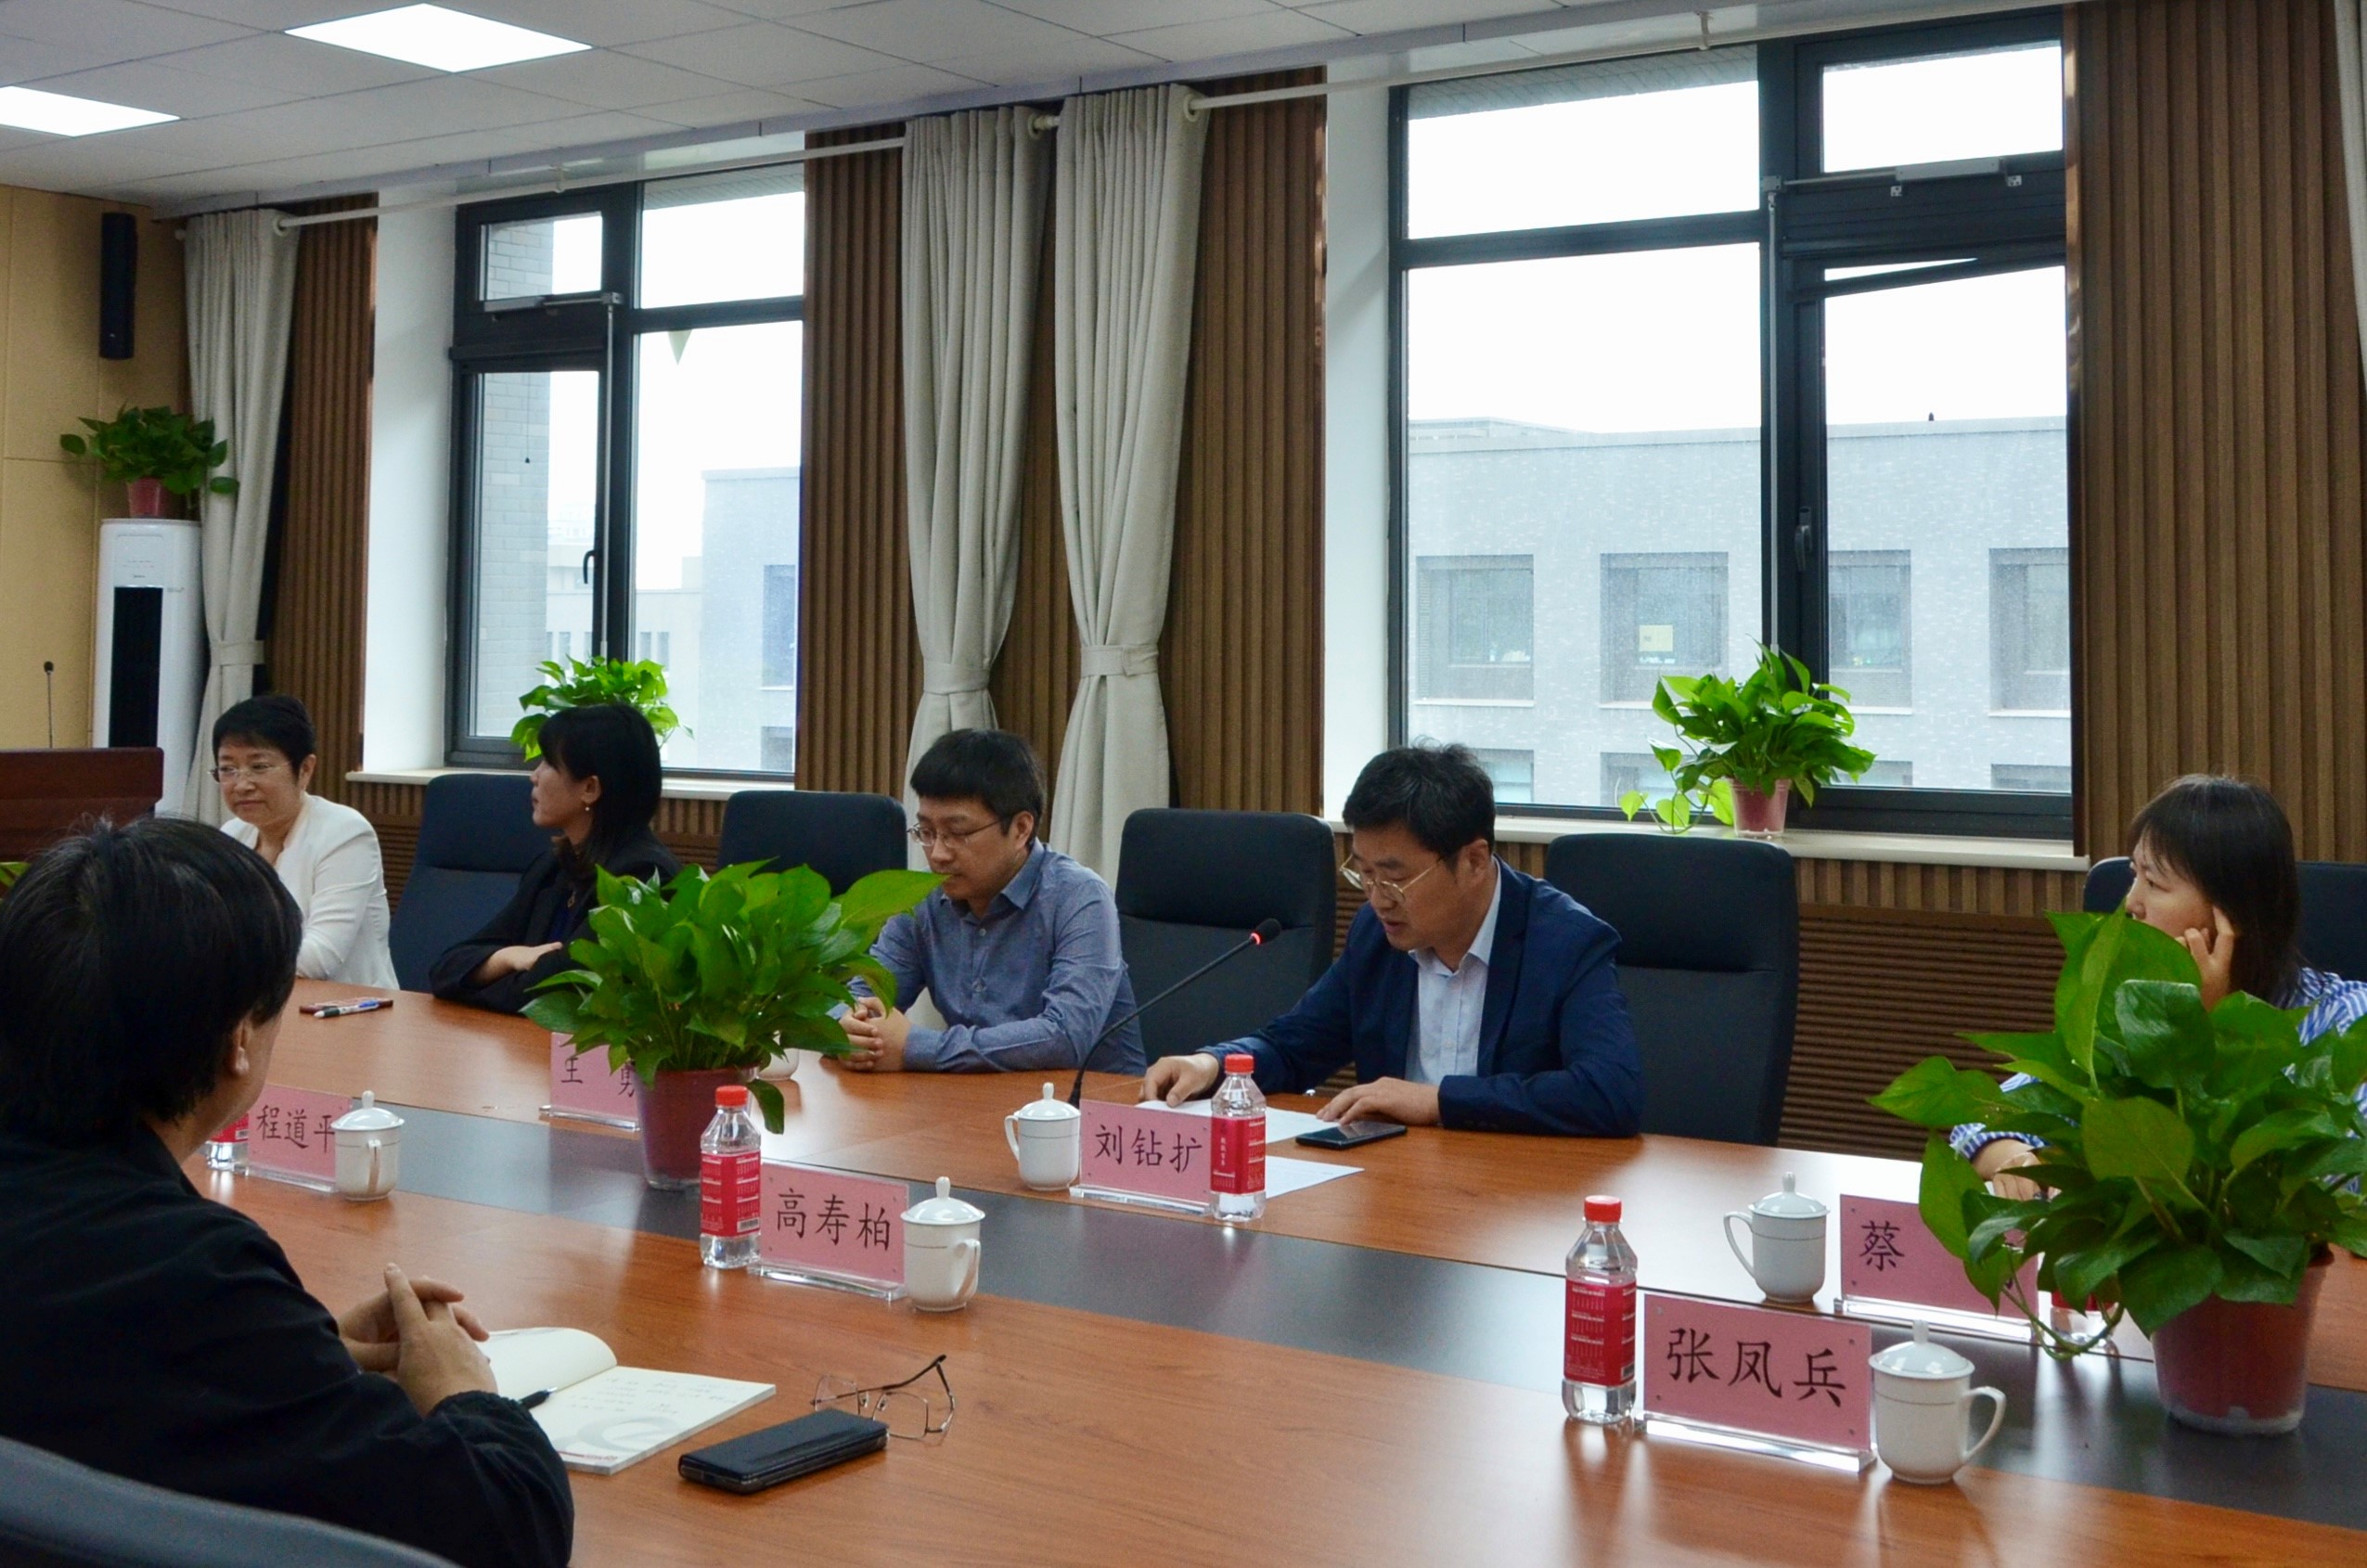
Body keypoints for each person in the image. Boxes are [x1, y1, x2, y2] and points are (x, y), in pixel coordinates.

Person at [0, 817, 571, 1568]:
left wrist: (301, 1350)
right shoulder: (187, 1270)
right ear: (240, 1039)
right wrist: (466, 1393)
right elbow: (507, 1528)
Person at [1143, 743, 1643, 1137]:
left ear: (1473, 860)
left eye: (1395, 877)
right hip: (1395, 1182)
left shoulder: (1565, 942)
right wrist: (1213, 1064)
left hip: (1517, 1199)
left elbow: (1608, 1092)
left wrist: (1440, 1101)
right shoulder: (1378, 936)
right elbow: (1294, 1046)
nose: (1378, 898)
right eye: (1364, 874)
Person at [1954, 775, 2367, 1198]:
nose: (2131, 903)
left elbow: (2337, 1181)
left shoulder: (2348, 1021)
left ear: (2234, 913)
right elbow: (1978, 1118)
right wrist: (2018, 1159)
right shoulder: (2133, 1009)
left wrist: (2211, 1028)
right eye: (2134, 875)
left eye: (2154, 883)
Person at [839, 728, 1142, 1074]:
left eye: (958, 834)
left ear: (1021, 829)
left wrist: (915, 1047)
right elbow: (858, 998)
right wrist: (850, 1028)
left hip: (1089, 1101)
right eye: (927, 832)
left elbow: (1065, 1037)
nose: (937, 854)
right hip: (971, 1095)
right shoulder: (923, 898)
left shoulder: (1080, 897)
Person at [429, 703, 680, 1015]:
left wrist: (489, 975)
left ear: (590, 788)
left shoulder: (642, 878)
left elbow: (549, 997)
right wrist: (508, 957)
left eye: (549, 763)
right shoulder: (555, 867)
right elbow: (446, 969)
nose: (534, 776)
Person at [212, 693, 398, 990]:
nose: (242, 784)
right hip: (257, 1001)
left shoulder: (345, 834)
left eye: (259, 767)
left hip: (347, 1007)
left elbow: (319, 956)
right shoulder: (232, 836)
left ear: (305, 770)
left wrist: (217, 965)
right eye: (227, 769)